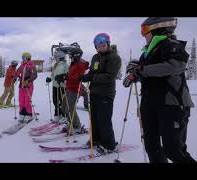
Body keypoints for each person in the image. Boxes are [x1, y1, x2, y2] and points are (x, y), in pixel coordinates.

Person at [123, 17, 195, 163]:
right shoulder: (147, 53)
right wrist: (134, 74)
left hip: (172, 104)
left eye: (145, 30)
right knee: (152, 146)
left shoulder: (173, 46)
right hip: (150, 104)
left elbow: (174, 66)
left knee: (173, 150)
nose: (143, 35)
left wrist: (142, 69)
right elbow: (146, 73)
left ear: (158, 29)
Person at [81, 33, 121, 152]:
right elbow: (93, 73)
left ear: (108, 44)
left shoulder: (114, 57)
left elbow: (110, 76)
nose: (101, 47)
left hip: (106, 93)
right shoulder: (95, 57)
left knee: (104, 120)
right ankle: (96, 140)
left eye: (103, 45)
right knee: (94, 118)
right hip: (94, 92)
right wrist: (84, 77)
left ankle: (109, 145)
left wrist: (93, 77)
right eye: (98, 45)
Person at [55, 47, 89, 134]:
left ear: (76, 56)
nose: (70, 57)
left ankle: (77, 126)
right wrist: (63, 75)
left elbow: (78, 77)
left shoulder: (80, 65)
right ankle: (71, 123)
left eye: (71, 55)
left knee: (70, 108)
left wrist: (66, 77)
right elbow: (70, 74)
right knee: (64, 107)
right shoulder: (73, 63)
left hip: (75, 89)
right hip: (69, 87)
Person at [13, 52, 38, 123]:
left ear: (28, 58)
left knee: (27, 100)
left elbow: (35, 75)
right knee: (21, 100)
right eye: (22, 58)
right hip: (21, 85)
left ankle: (28, 114)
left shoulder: (31, 65)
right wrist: (15, 78)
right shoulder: (22, 65)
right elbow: (17, 72)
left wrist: (28, 80)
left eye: (24, 58)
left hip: (28, 86)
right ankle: (22, 113)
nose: (23, 59)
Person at [46, 50, 69, 123]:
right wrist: (50, 78)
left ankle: (64, 115)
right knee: (55, 101)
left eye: (56, 57)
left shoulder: (65, 65)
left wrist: (63, 79)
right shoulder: (55, 65)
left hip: (62, 86)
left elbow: (67, 75)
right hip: (55, 86)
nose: (55, 58)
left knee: (63, 101)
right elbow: (53, 75)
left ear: (60, 57)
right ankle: (57, 115)